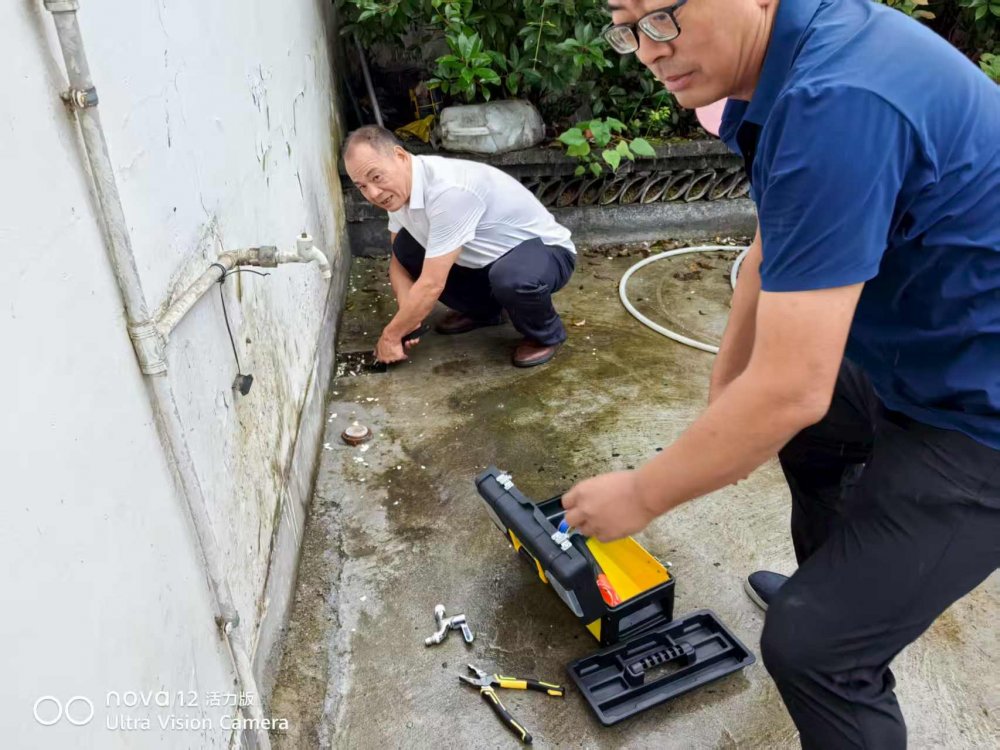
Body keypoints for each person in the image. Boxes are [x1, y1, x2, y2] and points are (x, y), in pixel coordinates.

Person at [563, 0, 1000, 747]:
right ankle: (832, 585)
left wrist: (640, 494)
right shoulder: (793, 55)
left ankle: (837, 628)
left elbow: (792, 386)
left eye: (662, 17)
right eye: (627, 27)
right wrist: (728, 383)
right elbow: (776, 237)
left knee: (813, 651)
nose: (647, 51)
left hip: (979, 405)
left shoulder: (838, 99)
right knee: (817, 429)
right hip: (927, 341)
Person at [342, 126, 577, 367]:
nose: (373, 193)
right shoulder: (398, 193)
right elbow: (398, 262)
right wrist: (408, 316)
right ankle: (486, 312)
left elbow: (432, 284)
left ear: (400, 156)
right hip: (489, 259)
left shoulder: (448, 190)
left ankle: (546, 335)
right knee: (406, 246)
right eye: (361, 186)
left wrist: (391, 336)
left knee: (509, 277)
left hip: (547, 252)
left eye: (376, 177)